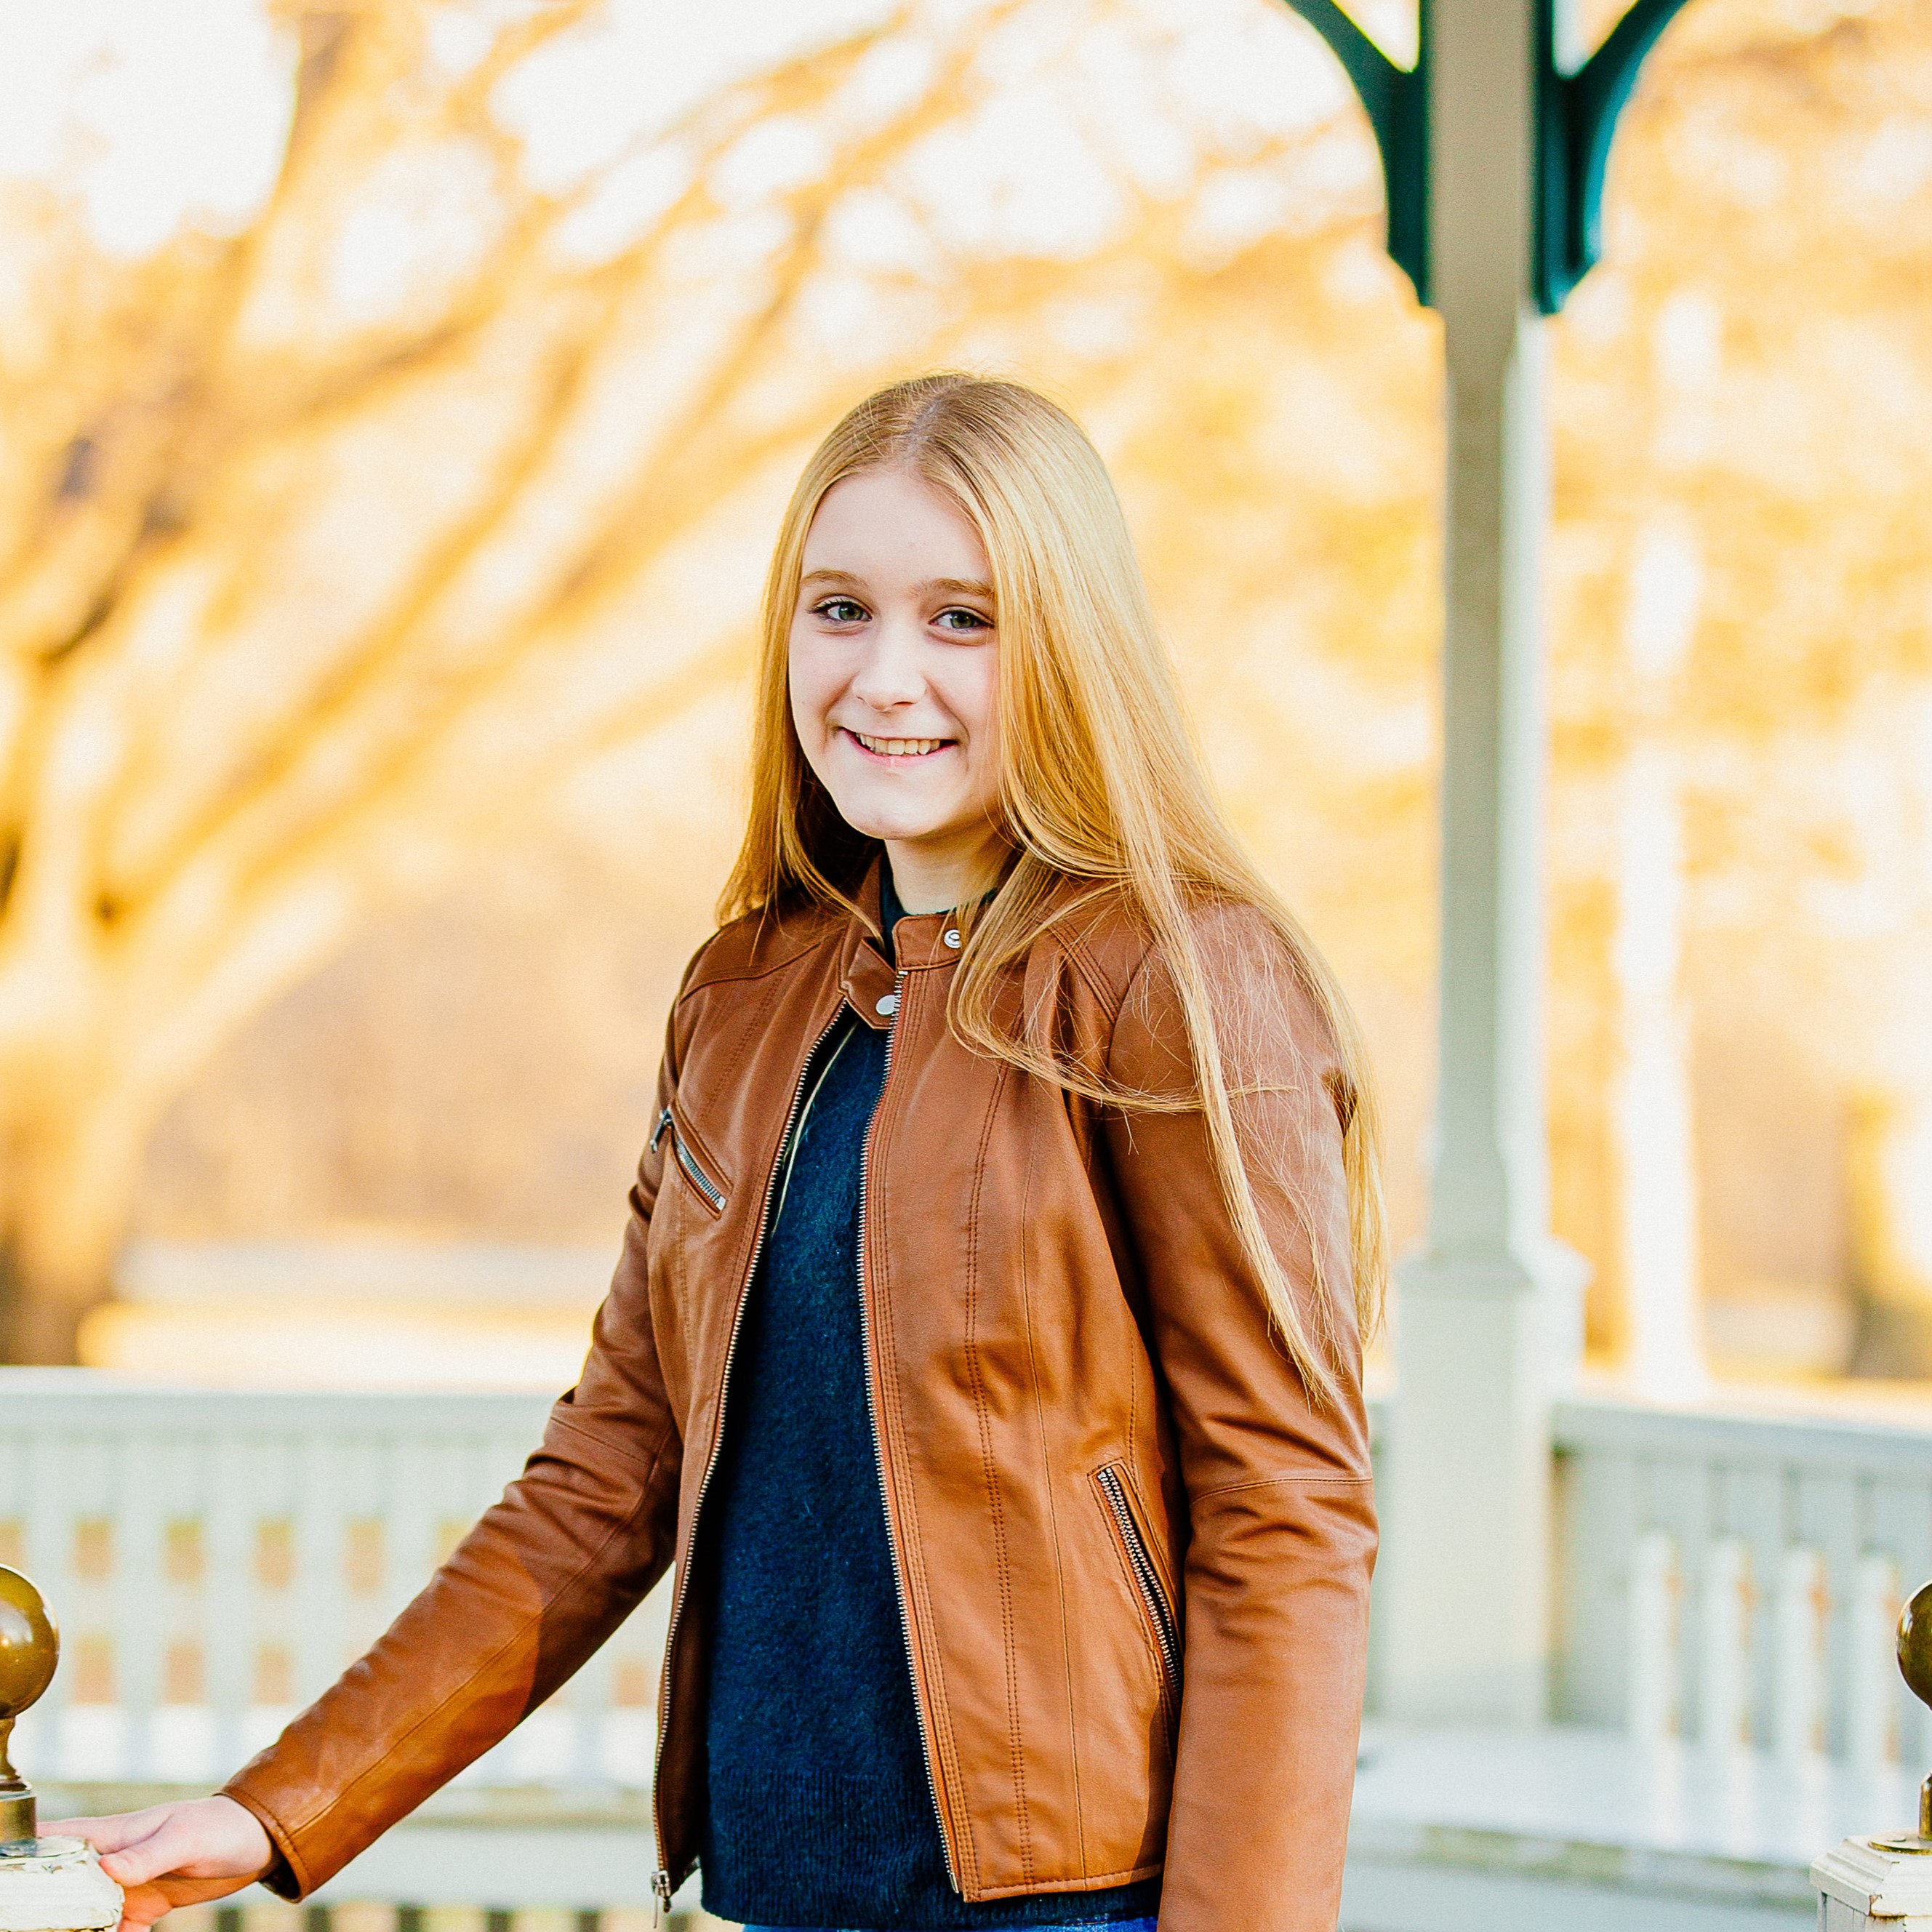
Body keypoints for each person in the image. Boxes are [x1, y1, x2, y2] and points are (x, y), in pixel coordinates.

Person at [60, 374, 1384, 1932]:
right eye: (843, 609)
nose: (887, 675)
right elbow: (607, 1473)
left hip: (1075, 1903)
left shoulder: (1175, 977)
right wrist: (275, 1806)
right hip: (772, 1890)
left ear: (1069, 642)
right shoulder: (744, 995)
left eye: (965, 618)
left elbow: (1285, 1509)